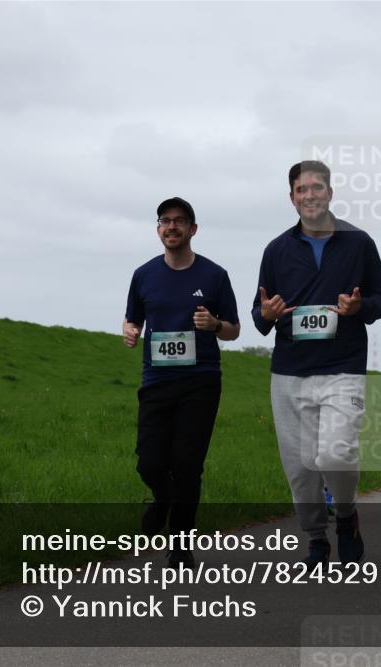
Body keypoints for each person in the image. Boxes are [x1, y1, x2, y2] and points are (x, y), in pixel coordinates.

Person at [252, 160, 381, 569]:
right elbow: (260, 315)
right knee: (300, 470)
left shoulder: (359, 242)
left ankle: (346, 515)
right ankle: (316, 540)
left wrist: (358, 306)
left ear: (331, 193)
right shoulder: (275, 250)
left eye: (317, 187)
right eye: (301, 189)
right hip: (290, 372)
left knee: (336, 455)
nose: (309, 195)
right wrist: (268, 313)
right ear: (291, 197)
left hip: (342, 366)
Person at [124, 197, 241, 568]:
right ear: (159, 229)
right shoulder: (143, 275)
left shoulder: (214, 276)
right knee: (150, 464)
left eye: (179, 221)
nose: (171, 227)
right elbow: (133, 320)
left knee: (188, 465)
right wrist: (130, 331)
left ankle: (181, 545)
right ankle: (162, 501)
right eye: (164, 221)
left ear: (193, 229)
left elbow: (234, 330)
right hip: (156, 380)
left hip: (200, 381)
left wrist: (215, 325)